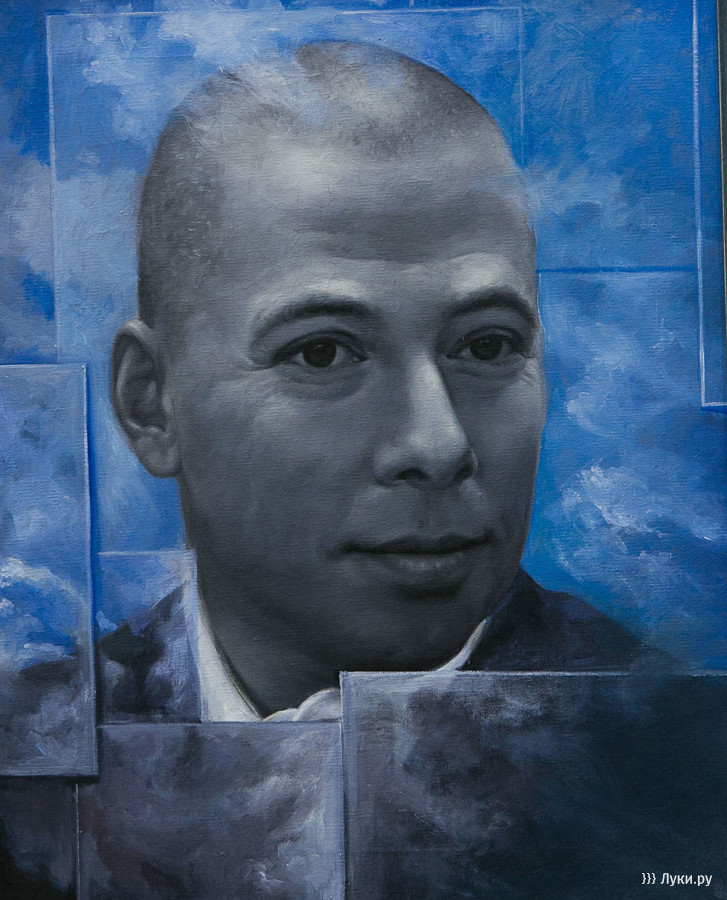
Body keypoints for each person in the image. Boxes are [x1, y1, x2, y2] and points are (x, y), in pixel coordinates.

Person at [109, 41, 647, 723]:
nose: (438, 445)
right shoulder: (41, 738)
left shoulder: (670, 734)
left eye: (487, 345)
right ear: (150, 404)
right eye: (322, 354)